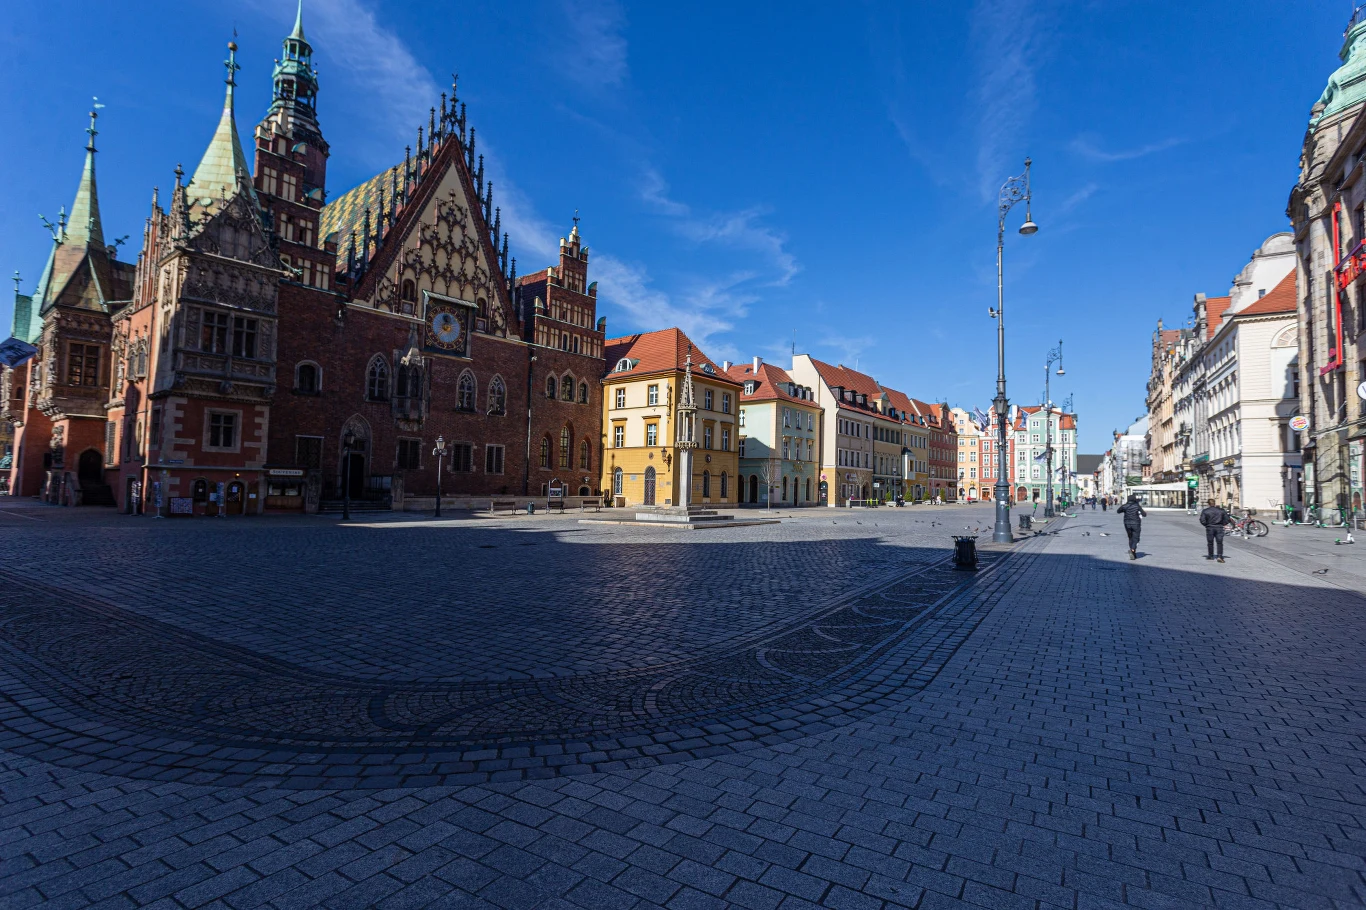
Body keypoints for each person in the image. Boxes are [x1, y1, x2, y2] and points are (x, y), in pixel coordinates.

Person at [1199, 498, 1231, 563]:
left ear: (1208, 504)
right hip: (1219, 528)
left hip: (1210, 528)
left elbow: (1202, 520)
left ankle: (1210, 556)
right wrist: (1222, 524)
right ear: (1214, 503)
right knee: (1219, 542)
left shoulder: (1205, 511)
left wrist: (1207, 525)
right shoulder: (1221, 510)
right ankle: (1219, 556)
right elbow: (1227, 519)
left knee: (1210, 542)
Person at [1117, 494, 1146, 559]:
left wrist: (1124, 509)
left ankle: (1133, 552)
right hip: (1136, 523)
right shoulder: (1137, 506)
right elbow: (1144, 514)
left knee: (1130, 537)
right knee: (1136, 537)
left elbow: (1118, 511)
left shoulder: (1125, 506)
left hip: (1127, 524)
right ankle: (1132, 549)